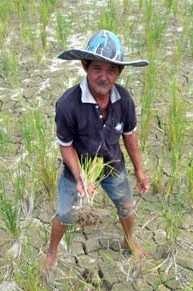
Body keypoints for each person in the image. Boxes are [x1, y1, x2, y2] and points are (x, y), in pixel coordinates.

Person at [42, 30, 150, 274]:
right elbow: (66, 145)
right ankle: (52, 251)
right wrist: (81, 177)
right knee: (65, 214)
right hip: (77, 167)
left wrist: (139, 170)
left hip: (112, 164)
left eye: (111, 70)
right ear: (85, 66)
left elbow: (129, 134)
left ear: (119, 72)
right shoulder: (68, 104)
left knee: (127, 207)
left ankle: (129, 240)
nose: (104, 77)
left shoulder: (124, 100)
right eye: (97, 69)